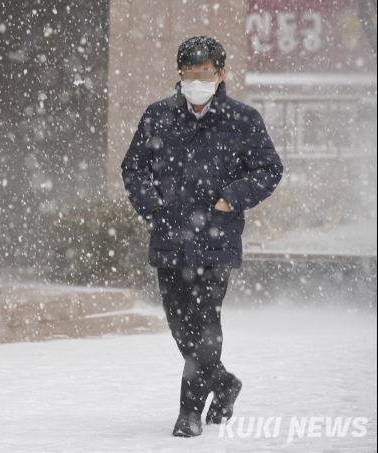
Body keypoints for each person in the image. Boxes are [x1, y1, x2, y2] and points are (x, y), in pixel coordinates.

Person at [121, 36, 283, 437]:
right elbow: (133, 169)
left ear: (221, 73)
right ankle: (224, 383)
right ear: (179, 73)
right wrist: (153, 206)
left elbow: (269, 169)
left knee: (206, 325)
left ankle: (188, 413)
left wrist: (233, 197)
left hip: (215, 242)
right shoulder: (157, 116)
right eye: (190, 73)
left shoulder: (242, 120)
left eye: (206, 73)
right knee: (181, 329)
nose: (198, 80)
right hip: (169, 240)